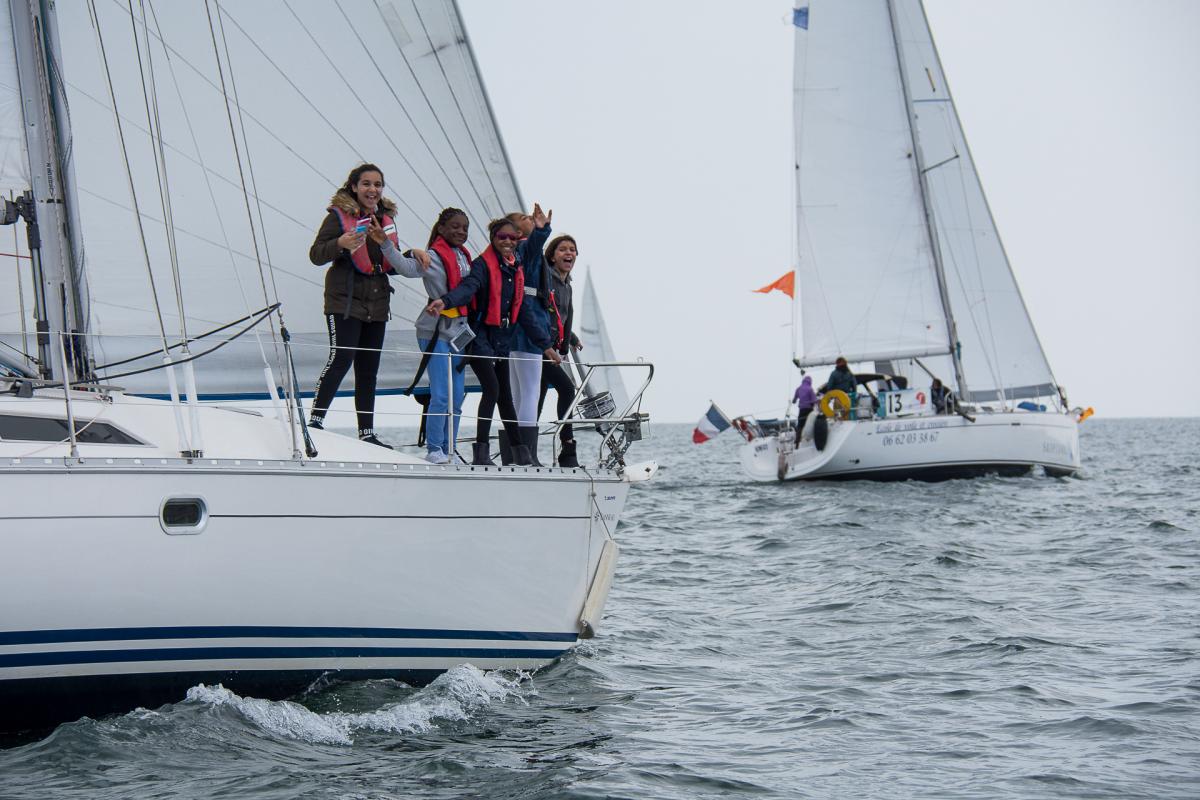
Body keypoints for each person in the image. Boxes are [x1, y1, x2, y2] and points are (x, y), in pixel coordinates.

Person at [308, 163, 427, 447]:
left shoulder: (385, 218)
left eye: (377, 184)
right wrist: (340, 242)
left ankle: (367, 433)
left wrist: (412, 253)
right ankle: (315, 421)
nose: (372, 189)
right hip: (344, 302)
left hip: (377, 303)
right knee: (341, 359)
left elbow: (389, 262)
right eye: (366, 184)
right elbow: (316, 255)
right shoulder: (337, 217)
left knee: (368, 369)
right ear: (354, 187)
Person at [426, 213, 558, 466]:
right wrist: (446, 301)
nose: (507, 241)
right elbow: (468, 288)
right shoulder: (482, 265)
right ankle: (481, 452)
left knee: (505, 395)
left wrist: (546, 346)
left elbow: (524, 312)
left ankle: (521, 453)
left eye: (512, 238)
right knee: (492, 390)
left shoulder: (514, 267)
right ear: (493, 238)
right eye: (501, 237)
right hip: (479, 338)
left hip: (502, 339)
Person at [385, 207, 471, 464]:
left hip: (459, 331)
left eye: (465, 228)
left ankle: (449, 449)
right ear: (441, 229)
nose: (461, 231)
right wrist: (386, 246)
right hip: (434, 331)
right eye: (455, 226)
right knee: (441, 394)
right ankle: (434, 449)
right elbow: (405, 268)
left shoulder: (465, 258)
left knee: (457, 397)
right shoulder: (431, 256)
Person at [504, 204, 561, 466]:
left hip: (514, 328)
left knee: (517, 394)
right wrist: (542, 229)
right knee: (529, 392)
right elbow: (535, 244)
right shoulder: (526, 247)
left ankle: (514, 453)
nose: (530, 217)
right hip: (529, 326)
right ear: (517, 231)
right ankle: (526, 454)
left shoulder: (513, 253)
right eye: (525, 218)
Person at [538, 234, 583, 467]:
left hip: (554, 348)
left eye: (572, 250)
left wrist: (571, 337)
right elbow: (542, 312)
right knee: (567, 388)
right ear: (552, 256)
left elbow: (564, 315)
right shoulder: (546, 279)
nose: (568, 253)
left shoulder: (567, 285)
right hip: (540, 348)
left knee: (538, 396)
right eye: (563, 249)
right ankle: (567, 445)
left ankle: (524, 448)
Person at [792, 374, 817, 445]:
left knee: (800, 425)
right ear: (810, 382)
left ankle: (797, 442)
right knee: (811, 423)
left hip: (802, 410)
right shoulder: (810, 389)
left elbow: (794, 400)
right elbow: (814, 400)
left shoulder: (799, 389)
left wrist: (794, 401)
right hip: (809, 409)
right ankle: (811, 440)